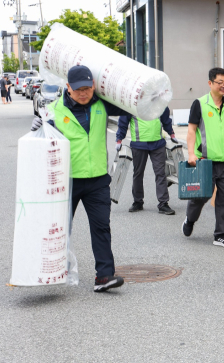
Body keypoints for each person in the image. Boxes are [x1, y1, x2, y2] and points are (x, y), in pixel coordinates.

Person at [30, 65, 129, 292]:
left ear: (94, 87)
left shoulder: (102, 105)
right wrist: (37, 127)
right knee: (60, 228)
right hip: (67, 181)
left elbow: (132, 107)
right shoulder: (54, 110)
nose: (83, 93)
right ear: (68, 88)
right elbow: (41, 143)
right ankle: (52, 271)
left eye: (87, 88)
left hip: (97, 180)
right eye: (78, 90)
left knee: (101, 227)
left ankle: (104, 276)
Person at [182, 67, 224, 248]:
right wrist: (192, 153)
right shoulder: (199, 104)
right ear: (210, 83)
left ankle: (221, 235)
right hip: (205, 161)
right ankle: (190, 220)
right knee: (201, 197)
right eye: (220, 83)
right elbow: (191, 130)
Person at [116, 107, 177, 215]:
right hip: (139, 144)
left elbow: (165, 119)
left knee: (160, 174)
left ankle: (163, 204)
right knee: (138, 173)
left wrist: (171, 133)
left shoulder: (158, 102)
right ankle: (138, 201)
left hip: (158, 144)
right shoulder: (132, 104)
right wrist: (119, 139)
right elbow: (123, 121)